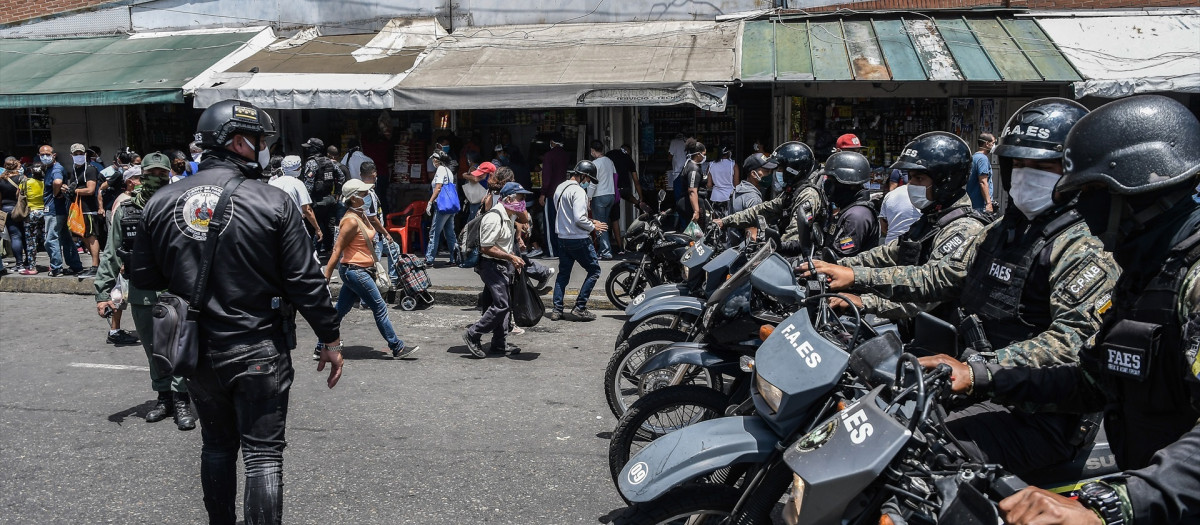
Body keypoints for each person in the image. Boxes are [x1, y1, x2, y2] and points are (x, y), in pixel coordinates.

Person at [921, 94, 1200, 525]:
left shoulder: (1192, 279)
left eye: (1090, 191)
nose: (1081, 204)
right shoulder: (1144, 272)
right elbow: (1094, 381)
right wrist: (979, 376)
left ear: (1136, 189)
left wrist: (1115, 503)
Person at [812, 100, 1120, 476]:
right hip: (982, 387)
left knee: (917, 462)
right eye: (1019, 165)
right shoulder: (1002, 232)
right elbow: (940, 275)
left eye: (1042, 167)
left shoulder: (1082, 249)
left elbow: (1071, 344)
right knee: (879, 419)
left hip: (1039, 414)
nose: (1026, 176)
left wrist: (977, 369)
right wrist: (856, 276)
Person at [130, 100, 344, 525]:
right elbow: (305, 281)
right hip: (259, 346)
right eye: (261, 140)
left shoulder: (160, 202)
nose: (264, 149)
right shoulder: (273, 202)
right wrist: (331, 338)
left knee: (217, 446)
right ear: (240, 142)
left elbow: (145, 277)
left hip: (197, 353)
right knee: (263, 455)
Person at [815, 132, 988, 322]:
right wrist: (837, 266)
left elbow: (930, 284)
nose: (910, 185)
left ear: (945, 182)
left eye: (919, 179)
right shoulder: (932, 220)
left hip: (941, 341)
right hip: (913, 329)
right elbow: (890, 253)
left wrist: (863, 295)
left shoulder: (964, 228)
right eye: (910, 177)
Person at [95, 152, 195, 428]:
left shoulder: (181, 207)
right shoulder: (126, 210)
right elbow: (112, 252)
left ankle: (181, 400)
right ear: (140, 175)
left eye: (162, 174)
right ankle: (163, 397)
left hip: (176, 290)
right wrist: (103, 292)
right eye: (150, 173)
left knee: (176, 347)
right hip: (141, 291)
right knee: (153, 349)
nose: (156, 178)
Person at [322, 179, 417, 360]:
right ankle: (397, 347)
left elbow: (373, 224)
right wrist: (326, 276)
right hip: (355, 271)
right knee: (380, 307)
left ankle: (321, 346)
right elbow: (337, 250)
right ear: (354, 198)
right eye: (364, 194)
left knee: (340, 310)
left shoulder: (361, 213)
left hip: (360, 270)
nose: (367, 196)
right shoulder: (350, 220)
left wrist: (386, 233)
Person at [462, 181, 536, 358]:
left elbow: (522, 222)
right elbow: (486, 247)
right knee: (502, 305)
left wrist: (514, 259)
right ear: (509, 199)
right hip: (491, 266)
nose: (523, 202)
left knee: (504, 305)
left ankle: (499, 344)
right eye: (520, 198)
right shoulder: (494, 218)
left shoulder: (509, 216)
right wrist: (511, 257)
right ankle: (473, 334)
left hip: (502, 266)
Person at [714, 142, 819, 256]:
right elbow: (761, 210)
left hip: (801, 259)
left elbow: (794, 236)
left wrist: (772, 248)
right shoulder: (791, 194)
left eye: (780, 169)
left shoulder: (807, 195)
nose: (776, 173)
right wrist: (724, 221)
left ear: (792, 171)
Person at [551, 160, 607, 322]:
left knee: (563, 275)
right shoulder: (579, 192)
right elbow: (579, 218)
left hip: (562, 237)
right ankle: (580, 307)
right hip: (578, 239)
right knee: (594, 270)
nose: (588, 183)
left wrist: (590, 223)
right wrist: (593, 226)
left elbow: (564, 214)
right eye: (588, 180)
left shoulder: (560, 188)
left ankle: (557, 310)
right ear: (583, 176)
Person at [301, 137, 346, 258]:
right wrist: (337, 192)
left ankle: (312, 254)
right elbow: (341, 176)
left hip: (316, 202)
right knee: (329, 226)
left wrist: (306, 203)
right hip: (329, 200)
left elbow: (308, 186)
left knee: (312, 227)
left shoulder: (311, 163)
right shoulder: (330, 161)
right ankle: (331, 250)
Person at [65, 142, 102, 277]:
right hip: (78, 208)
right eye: (76, 154)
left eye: (81, 153)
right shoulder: (75, 169)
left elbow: (91, 190)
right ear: (71, 155)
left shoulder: (90, 169)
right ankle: (96, 263)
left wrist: (74, 191)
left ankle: (95, 266)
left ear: (85, 154)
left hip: (89, 208)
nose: (79, 156)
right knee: (84, 236)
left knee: (91, 236)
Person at [269, 155, 322, 244]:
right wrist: (317, 229)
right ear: (298, 169)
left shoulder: (273, 183)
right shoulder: (298, 184)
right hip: (294, 225)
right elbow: (307, 210)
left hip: (275, 225)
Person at [726, 153, 777, 246]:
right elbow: (752, 238)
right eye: (766, 171)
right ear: (754, 174)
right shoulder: (753, 198)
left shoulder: (739, 189)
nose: (770, 174)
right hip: (743, 255)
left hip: (732, 248)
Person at [425, 150, 459, 265]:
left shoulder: (440, 169)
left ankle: (429, 259)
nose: (433, 161)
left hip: (442, 205)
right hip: (450, 205)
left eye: (433, 159)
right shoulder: (448, 170)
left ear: (436, 160)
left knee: (434, 232)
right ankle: (454, 258)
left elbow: (438, 187)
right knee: (449, 232)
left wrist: (430, 202)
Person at [539, 134, 570, 258]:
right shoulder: (565, 155)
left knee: (550, 223)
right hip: (562, 194)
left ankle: (552, 252)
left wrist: (543, 193)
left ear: (552, 142)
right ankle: (562, 250)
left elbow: (547, 177)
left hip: (551, 194)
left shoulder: (549, 156)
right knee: (561, 223)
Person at [587, 140, 618, 259]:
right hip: (610, 194)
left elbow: (593, 183)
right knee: (604, 223)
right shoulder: (609, 161)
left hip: (599, 195)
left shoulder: (594, 164)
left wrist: (589, 198)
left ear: (593, 151)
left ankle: (605, 251)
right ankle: (603, 249)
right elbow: (615, 176)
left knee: (600, 224)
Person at [17, 161, 45, 275]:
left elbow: (18, 195)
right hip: (44, 213)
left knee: (30, 241)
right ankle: (54, 266)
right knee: (47, 239)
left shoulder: (25, 182)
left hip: (30, 213)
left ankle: (32, 267)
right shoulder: (46, 183)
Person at [1, 157, 27, 272]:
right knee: (25, 235)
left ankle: (19, 264)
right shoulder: (22, 178)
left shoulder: (1, 180)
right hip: (21, 209)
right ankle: (29, 261)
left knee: (14, 236)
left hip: (6, 209)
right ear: (16, 166)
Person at [877, 178, 921, 244]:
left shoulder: (891, 194)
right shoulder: (927, 196)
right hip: (914, 246)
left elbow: (883, 226)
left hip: (890, 246)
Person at [677, 140, 707, 231]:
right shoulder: (693, 168)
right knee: (697, 234)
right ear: (698, 154)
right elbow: (692, 191)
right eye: (703, 154)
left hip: (690, 204)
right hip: (691, 205)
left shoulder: (690, 165)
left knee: (693, 233)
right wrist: (696, 211)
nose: (704, 157)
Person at [706, 145, 739, 216]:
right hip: (729, 197)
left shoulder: (711, 165)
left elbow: (709, 185)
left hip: (715, 197)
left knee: (716, 222)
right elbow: (736, 185)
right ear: (729, 153)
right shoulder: (733, 165)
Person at [968, 132, 996, 213]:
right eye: (993, 143)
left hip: (973, 204)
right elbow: (983, 182)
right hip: (980, 206)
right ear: (987, 144)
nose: (994, 145)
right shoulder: (982, 159)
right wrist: (988, 203)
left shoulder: (974, 157)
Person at [668, 132, 689, 204]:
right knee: (686, 194)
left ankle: (679, 211)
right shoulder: (687, 141)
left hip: (677, 172)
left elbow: (670, 157)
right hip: (687, 171)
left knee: (678, 195)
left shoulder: (674, 142)